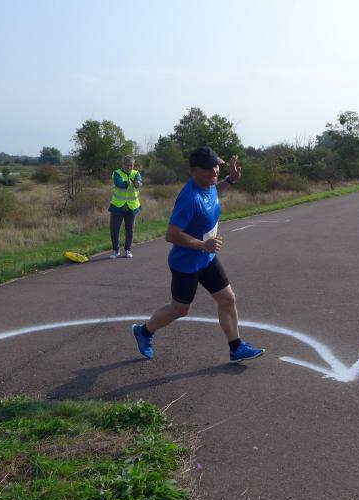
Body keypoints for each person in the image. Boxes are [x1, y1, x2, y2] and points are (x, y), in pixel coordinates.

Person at [131, 146, 265, 363]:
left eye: (216, 166)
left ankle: (236, 347)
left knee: (227, 298)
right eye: (208, 169)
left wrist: (230, 180)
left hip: (206, 258)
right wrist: (203, 245)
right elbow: (171, 235)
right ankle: (143, 332)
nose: (214, 172)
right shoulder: (189, 198)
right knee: (180, 309)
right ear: (193, 171)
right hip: (186, 263)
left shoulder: (209, 185)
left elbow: (214, 192)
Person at [108, 155, 142, 258]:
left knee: (129, 229)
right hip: (117, 206)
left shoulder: (136, 173)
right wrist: (127, 183)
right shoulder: (117, 173)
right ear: (123, 164)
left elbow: (139, 182)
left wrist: (137, 183)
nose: (129, 167)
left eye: (131, 165)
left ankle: (128, 250)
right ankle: (115, 250)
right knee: (114, 229)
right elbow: (119, 183)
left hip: (132, 206)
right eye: (127, 165)